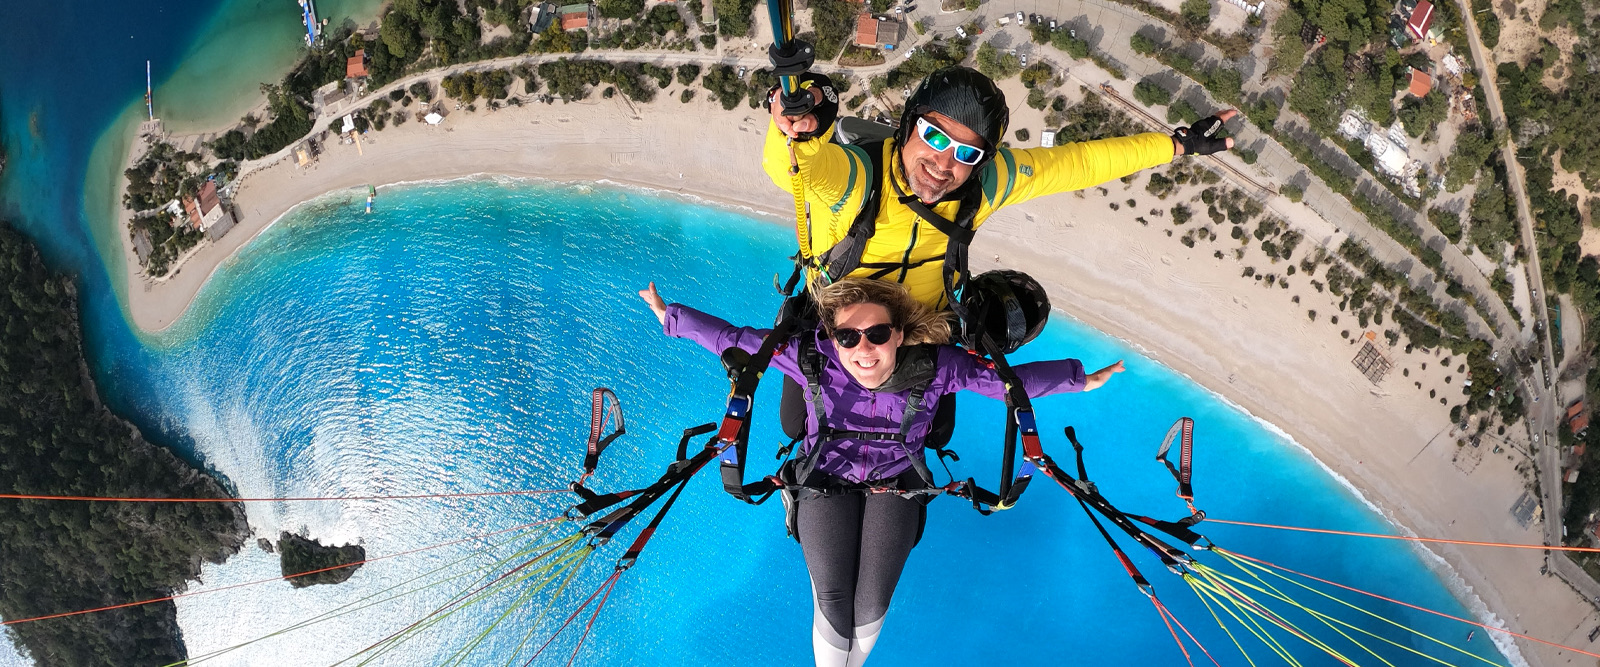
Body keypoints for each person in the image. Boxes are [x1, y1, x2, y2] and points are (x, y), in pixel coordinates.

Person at [638, 278, 1123, 667]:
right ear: (832, 336)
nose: (862, 349)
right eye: (848, 336)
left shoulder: (936, 366)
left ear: (899, 334)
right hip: (822, 478)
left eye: (876, 334)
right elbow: (732, 340)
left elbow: (1007, 385)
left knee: (870, 605)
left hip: (899, 482)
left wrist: (1081, 379)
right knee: (832, 598)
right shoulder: (808, 355)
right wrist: (670, 315)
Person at [764, 66, 1237, 310]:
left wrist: (1174, 146)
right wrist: (801, 124)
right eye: (934, 136)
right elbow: (792, 165)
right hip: (835, 319)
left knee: (930, 435)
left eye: (968, 153)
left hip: (924, 329)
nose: (944, 163)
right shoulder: (857, 178)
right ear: (906, 126)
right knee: (795, 425)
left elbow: (1081, 162)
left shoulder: (988, 184)